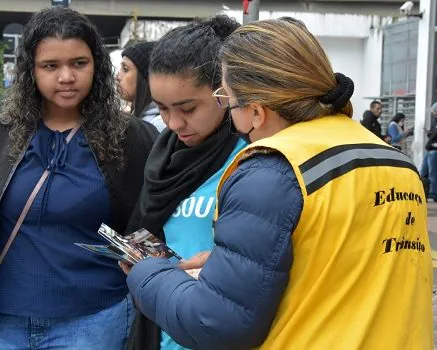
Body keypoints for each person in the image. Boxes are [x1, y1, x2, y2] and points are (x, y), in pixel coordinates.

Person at [123, 18, 432, 350]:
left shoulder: (272, 168)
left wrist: (148, 271)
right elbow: (338, 263)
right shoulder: (394, 160)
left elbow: (216, 323)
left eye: (225, 96)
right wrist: (232, 264)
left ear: (255, 111)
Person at [0, 7, 157, 350]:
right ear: (31, 71)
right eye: (51, 66)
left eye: (79, 63)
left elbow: (149, 226)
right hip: (0, 329)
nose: (66, 77)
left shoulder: (132, 137)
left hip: (96, 324)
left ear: (96, 65)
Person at [124, 15, 246, 350]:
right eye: (162, 108)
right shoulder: (162, 156)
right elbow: (150, 226)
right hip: (163, 330)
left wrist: (227, 266)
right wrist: (137, 254)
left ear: (224, 92)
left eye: (188, 108)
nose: (175, 123)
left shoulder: (252, 157)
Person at [118, 41, 166, 132]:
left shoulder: (157, 126)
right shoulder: (136, 117)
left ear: (146, 77)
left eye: (125, 69)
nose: (118, 77)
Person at [421, 102, 437, 201]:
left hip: (434, 151)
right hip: (429, 150)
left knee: (432, 173)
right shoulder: (434, 122)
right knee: (423, 172)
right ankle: (422, 192)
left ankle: (432, 194)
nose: (433, 114)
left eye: (434, 112)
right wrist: (429, 133)